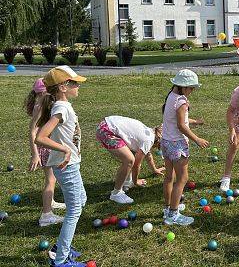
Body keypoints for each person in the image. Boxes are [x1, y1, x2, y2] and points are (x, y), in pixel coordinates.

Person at [35, 66, 87, 267]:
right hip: (67, 165)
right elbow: (41, 137)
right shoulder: (61, 108)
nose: (78, 86)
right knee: (74, 210)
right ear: (64, 87)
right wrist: (65, 150)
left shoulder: (62, 105)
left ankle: (59, 247)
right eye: (75, 83)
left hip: (70, 164)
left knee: (81, 201)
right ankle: (61, 260)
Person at [161, 69, 209, 226]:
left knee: (169, 177)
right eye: (191, 88)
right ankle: (173, 215)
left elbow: (176, 119)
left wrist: (194, 121)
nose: (192, 91)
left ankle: (168, 208)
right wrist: (196, 139)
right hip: (177, 144)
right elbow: (181, 125)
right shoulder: (181, 101)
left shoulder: (171, 96)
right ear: (184, 87)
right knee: (182, 178)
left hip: (166, 141)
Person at [24, 78, 65, 227]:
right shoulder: (40, 107)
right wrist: (34, 154)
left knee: (52, 178)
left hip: (47, 146)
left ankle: (51, 202)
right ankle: (46, 215)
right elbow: (32, 131)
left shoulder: (43, 104)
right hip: (44, 148)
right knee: (51, 179)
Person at [96, 116, 165, 204]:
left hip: (105, 124)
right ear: (158, 142)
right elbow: (136, 164)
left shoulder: (150, 133)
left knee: (131, 153)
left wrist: (154, 170)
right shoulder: (149, 141)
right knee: (129, 160)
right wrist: (136, 181)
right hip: (106, 131)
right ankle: (116, 193)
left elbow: (148, 154)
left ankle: (127, 182)